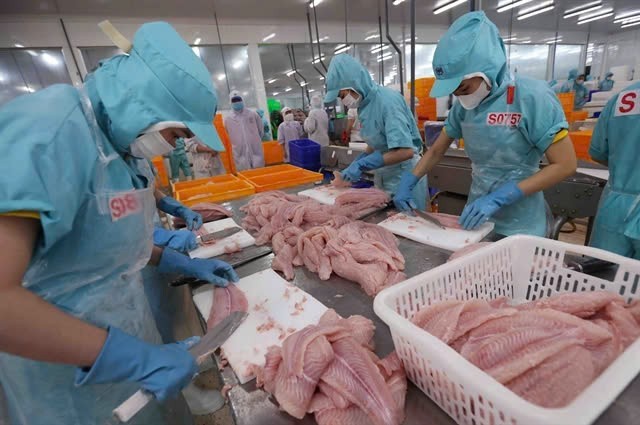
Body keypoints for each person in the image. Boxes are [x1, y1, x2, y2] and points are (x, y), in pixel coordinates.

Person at [0, 21, 240, 425]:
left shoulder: (121, 146)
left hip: (125, 341)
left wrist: (168, 258)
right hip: (62, 379)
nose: (177, 145)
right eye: (177, 133)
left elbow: (101, 242)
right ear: (146, 105)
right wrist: (132, 358)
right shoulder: (50, 132)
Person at [393, 11, 577, 236]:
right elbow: (436, 151)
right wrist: (410, 180)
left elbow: (565, 165)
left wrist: (504, 195)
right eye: (455, 92)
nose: (461, 97)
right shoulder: (463, 108)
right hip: (477, 213)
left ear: (487, 68)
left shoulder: (531, 97)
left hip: (522, 219)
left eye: (464, 88)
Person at [324, 55, 428, 210]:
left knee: (411, 225)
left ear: (354, 84)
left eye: (342, 95)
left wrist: (363, 164)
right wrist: (359, 161)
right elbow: (376, 143)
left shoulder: (387, 102)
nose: (343, 100)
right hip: (385, 175)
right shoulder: (364, 105)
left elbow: (406, 151)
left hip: (405, 176)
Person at [588, 82, 640, 258]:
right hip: (620, 197)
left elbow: (598, 152)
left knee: (604, 276)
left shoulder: (623, 97)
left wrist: (625, 169)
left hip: (617, 205)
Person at [223, 91, 264, 171]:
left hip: (255, 148)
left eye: (238, 99)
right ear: (230, 102)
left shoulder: (252, 114)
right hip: (239, 151)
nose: (236, 102)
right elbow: (228, 132)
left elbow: (260, 130)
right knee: (244, 173)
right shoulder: (228, 118)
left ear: (242, 99)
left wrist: (254, 140)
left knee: (259, 172)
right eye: (234, 101)